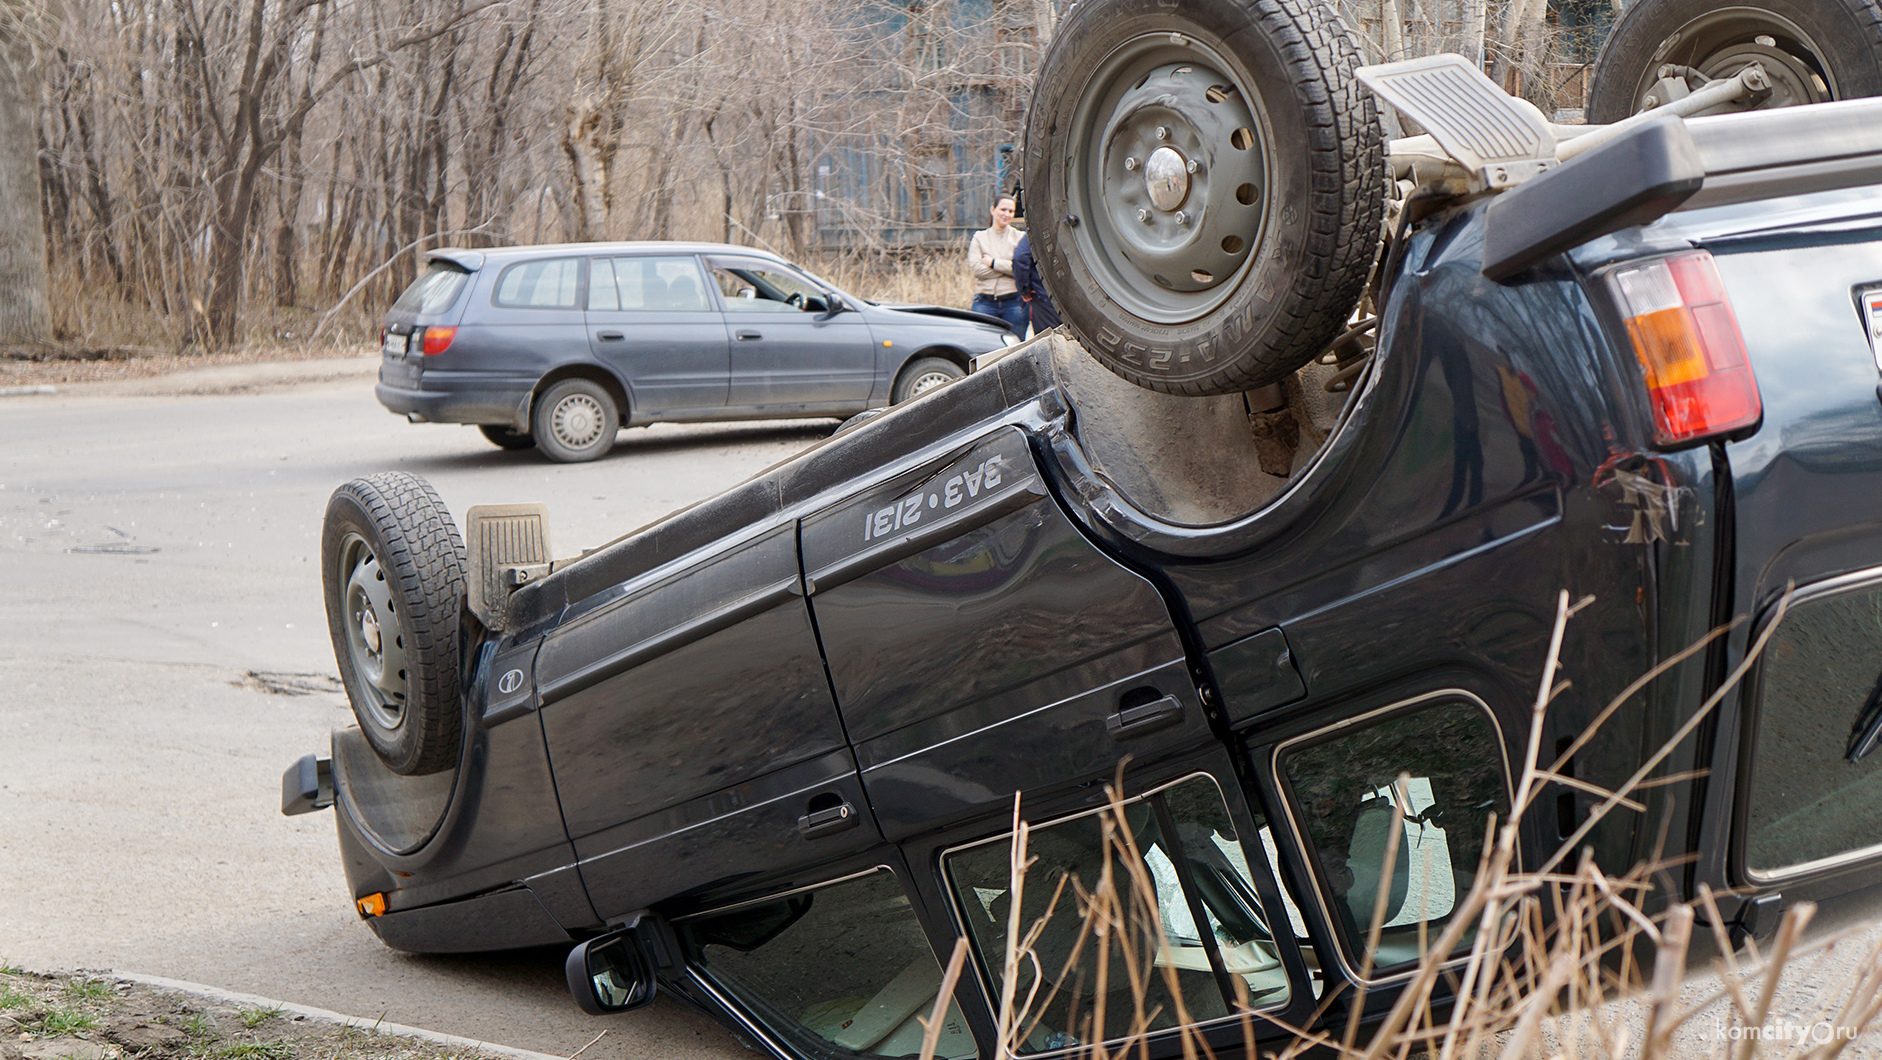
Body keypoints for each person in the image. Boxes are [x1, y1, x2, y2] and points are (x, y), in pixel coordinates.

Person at [968, 195, 1028, 334]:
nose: (1007, 214)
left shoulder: (1020, 238)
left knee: (1016, 347)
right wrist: (1008, 268)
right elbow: (977, 270)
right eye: (1003, 209)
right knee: (983, 346)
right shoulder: (979, 237)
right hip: (984, 303)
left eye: (1011, 211)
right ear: (993, 210)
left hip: (1014, 303)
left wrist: (993, 263)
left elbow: (1022, 269)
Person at [1011, 232, 1060, 335]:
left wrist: (1025, 289)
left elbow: (1020, 257)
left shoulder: (1036, 230)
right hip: (1074, 297)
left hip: (1044, 297)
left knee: (1049, 340)